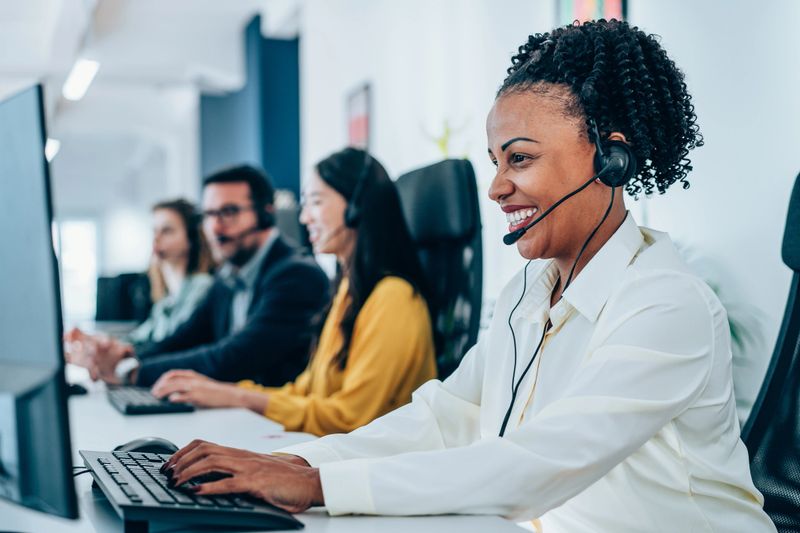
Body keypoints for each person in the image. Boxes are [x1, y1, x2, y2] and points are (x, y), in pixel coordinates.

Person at [162, 20, 776, 532]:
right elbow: (443, 415)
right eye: (495, 162)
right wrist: (290, 459)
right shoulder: (527, 296)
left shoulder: (667, 304)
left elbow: (541, 462)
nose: (497, 187)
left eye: (522, 158)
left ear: (609, 157)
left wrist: (319, 483)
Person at [150, 148, 437, 437]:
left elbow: (351, 417)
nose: (304, 218)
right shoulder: (349, 291)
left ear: (355, 205)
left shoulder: (393, 298)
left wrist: (238, 398)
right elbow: (306, 390)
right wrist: (222, 392)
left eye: (315, 202)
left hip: (371, 467)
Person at [67, 165, 330, 388]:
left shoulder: (296, 275)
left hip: (279, 428)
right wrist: (126, 354)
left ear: (265, 213)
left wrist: (131, 370)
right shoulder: (228, 276)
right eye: (209, 215)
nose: (215, 227)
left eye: (229, 212)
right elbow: (185, 338)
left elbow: (234, 357)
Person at [65, 199, 214, 361]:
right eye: (154, 231)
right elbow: (139, 339)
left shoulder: (202, 286)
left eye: (167, 231)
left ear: (191, 237)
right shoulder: (167, 299)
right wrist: (95, 341)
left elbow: (174, 344)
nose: (156, 238)